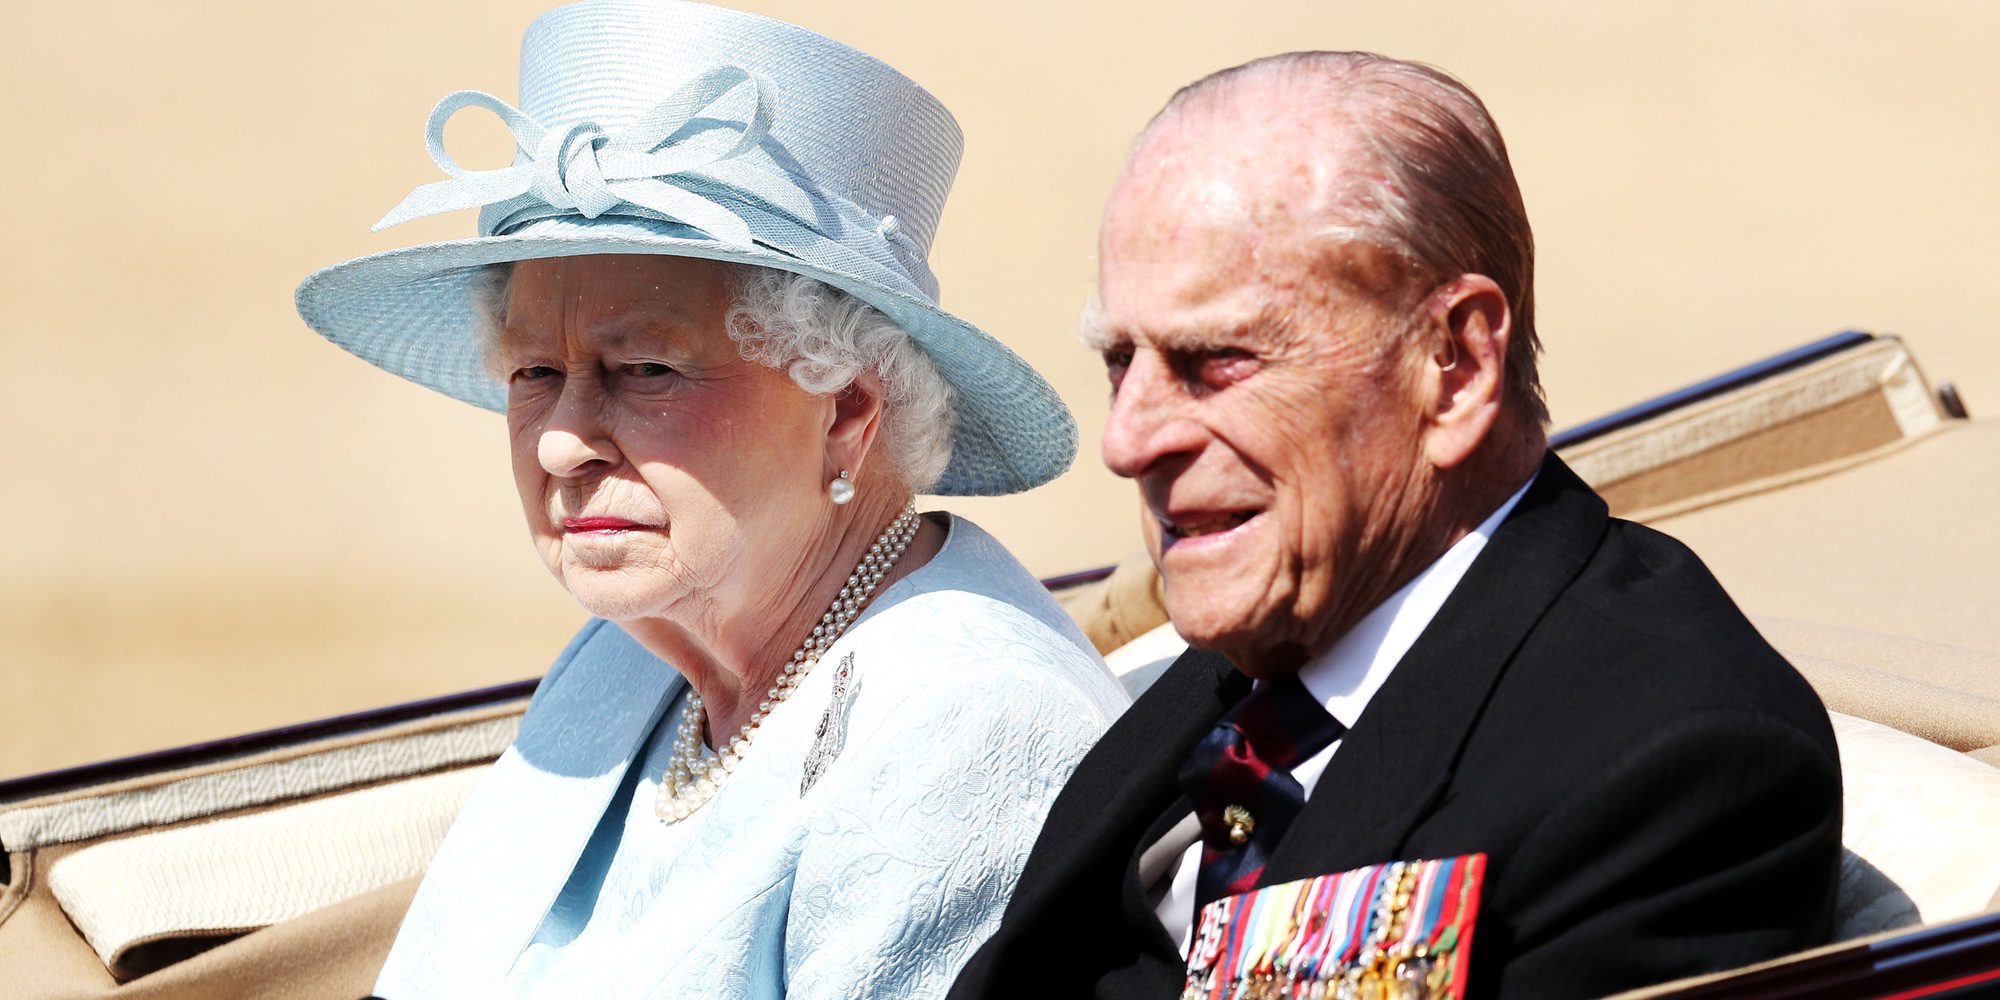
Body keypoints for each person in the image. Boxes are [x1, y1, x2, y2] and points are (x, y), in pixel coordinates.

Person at [950, 51, 1842, 999]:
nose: (1127, 441)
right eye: (1120, 361)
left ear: (1452, 366)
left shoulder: (1675, 765)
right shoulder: (1243, 666)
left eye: (1215, 360)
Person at [293, 2, 1128, 996]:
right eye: (530, 373)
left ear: (844, 408)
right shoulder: (630, 653)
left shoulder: (968, 723)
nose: (560, 441)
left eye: (644, 368)